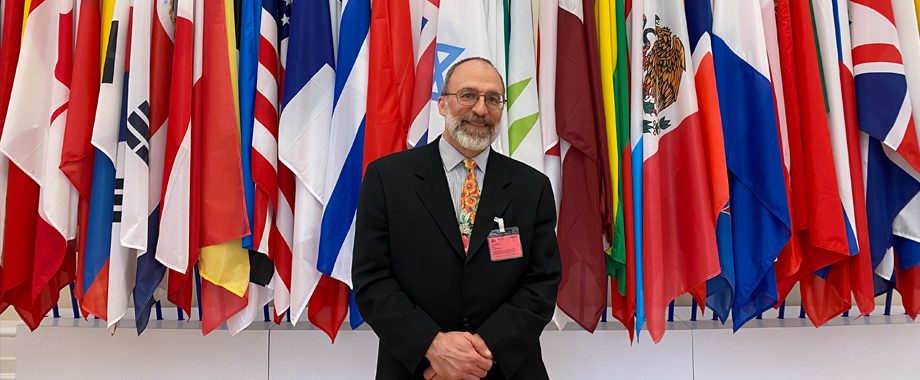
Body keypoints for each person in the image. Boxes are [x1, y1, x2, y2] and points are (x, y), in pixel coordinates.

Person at [353, 57, 562, 380]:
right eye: (467, 95)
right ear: (441, 104)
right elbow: (372, 281)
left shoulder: (531, 188)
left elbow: (541, 283)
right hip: (418, 370)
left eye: (492, 99)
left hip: (506, 369)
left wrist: (481, 350)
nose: (480, 109)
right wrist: (433, 347)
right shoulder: (387, 178)